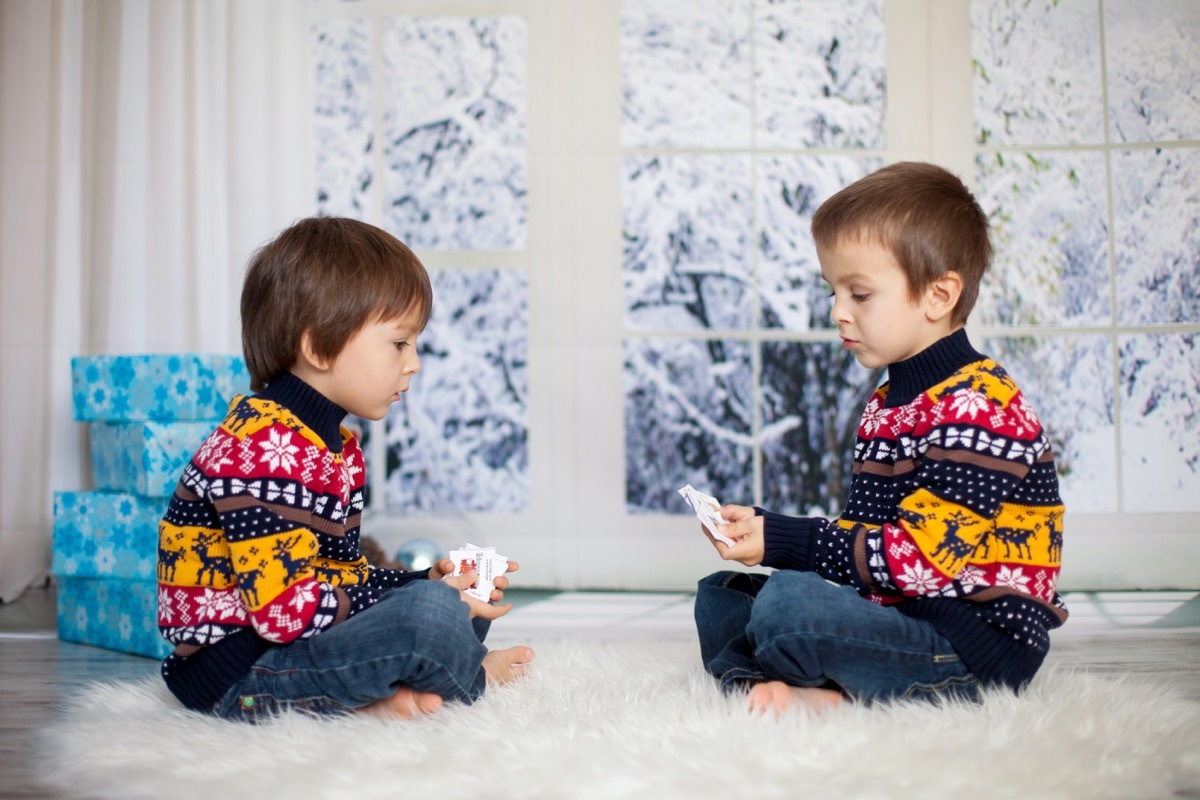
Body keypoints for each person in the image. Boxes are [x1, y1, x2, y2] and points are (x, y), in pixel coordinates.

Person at [694, 162, 1067, 715]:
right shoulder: (887, 404)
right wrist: (767, 526)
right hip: (900, 611)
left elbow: (919, 560)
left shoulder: (979, 406)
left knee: (788, 605)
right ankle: (806, 692)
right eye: (834, 291)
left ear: (938, 296)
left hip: (969, 643)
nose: (837, 313)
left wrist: (787, 541)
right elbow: (870, 537)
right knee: (721, 594)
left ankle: (825, 695)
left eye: (860, 294)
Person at [156, 216, 533, 722]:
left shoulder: (334, 447)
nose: (414, 362)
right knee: (431, 618)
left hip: (290, 647)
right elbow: (282, 611)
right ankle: (470, 676)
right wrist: (425, 600)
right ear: (319, 347)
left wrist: (421, 580)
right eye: (400, 343)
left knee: (444, 606)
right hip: (238, 676)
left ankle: (375, 702)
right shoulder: (260, 449)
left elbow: (338, 576)